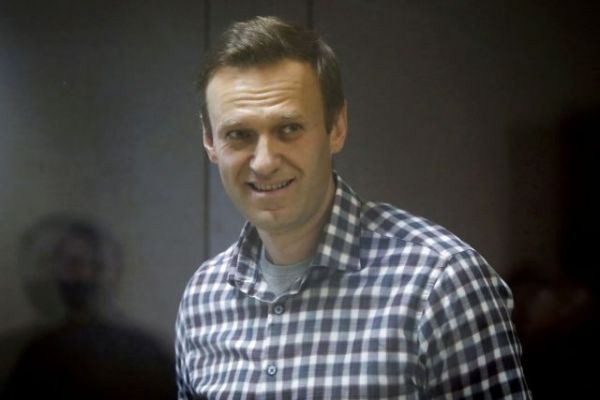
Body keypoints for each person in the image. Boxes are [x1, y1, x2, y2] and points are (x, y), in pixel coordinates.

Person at [176, 16, 531, 399]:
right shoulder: (202, 299)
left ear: (337, 128)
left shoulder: (440, 284)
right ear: (210, 142)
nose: (264, 162)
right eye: (239, 134)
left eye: (289, 129)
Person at [2, 215, 176, 400]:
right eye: (73, 265)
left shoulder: (147, 352)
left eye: (96, 266)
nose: (85, 275)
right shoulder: (32, 352)